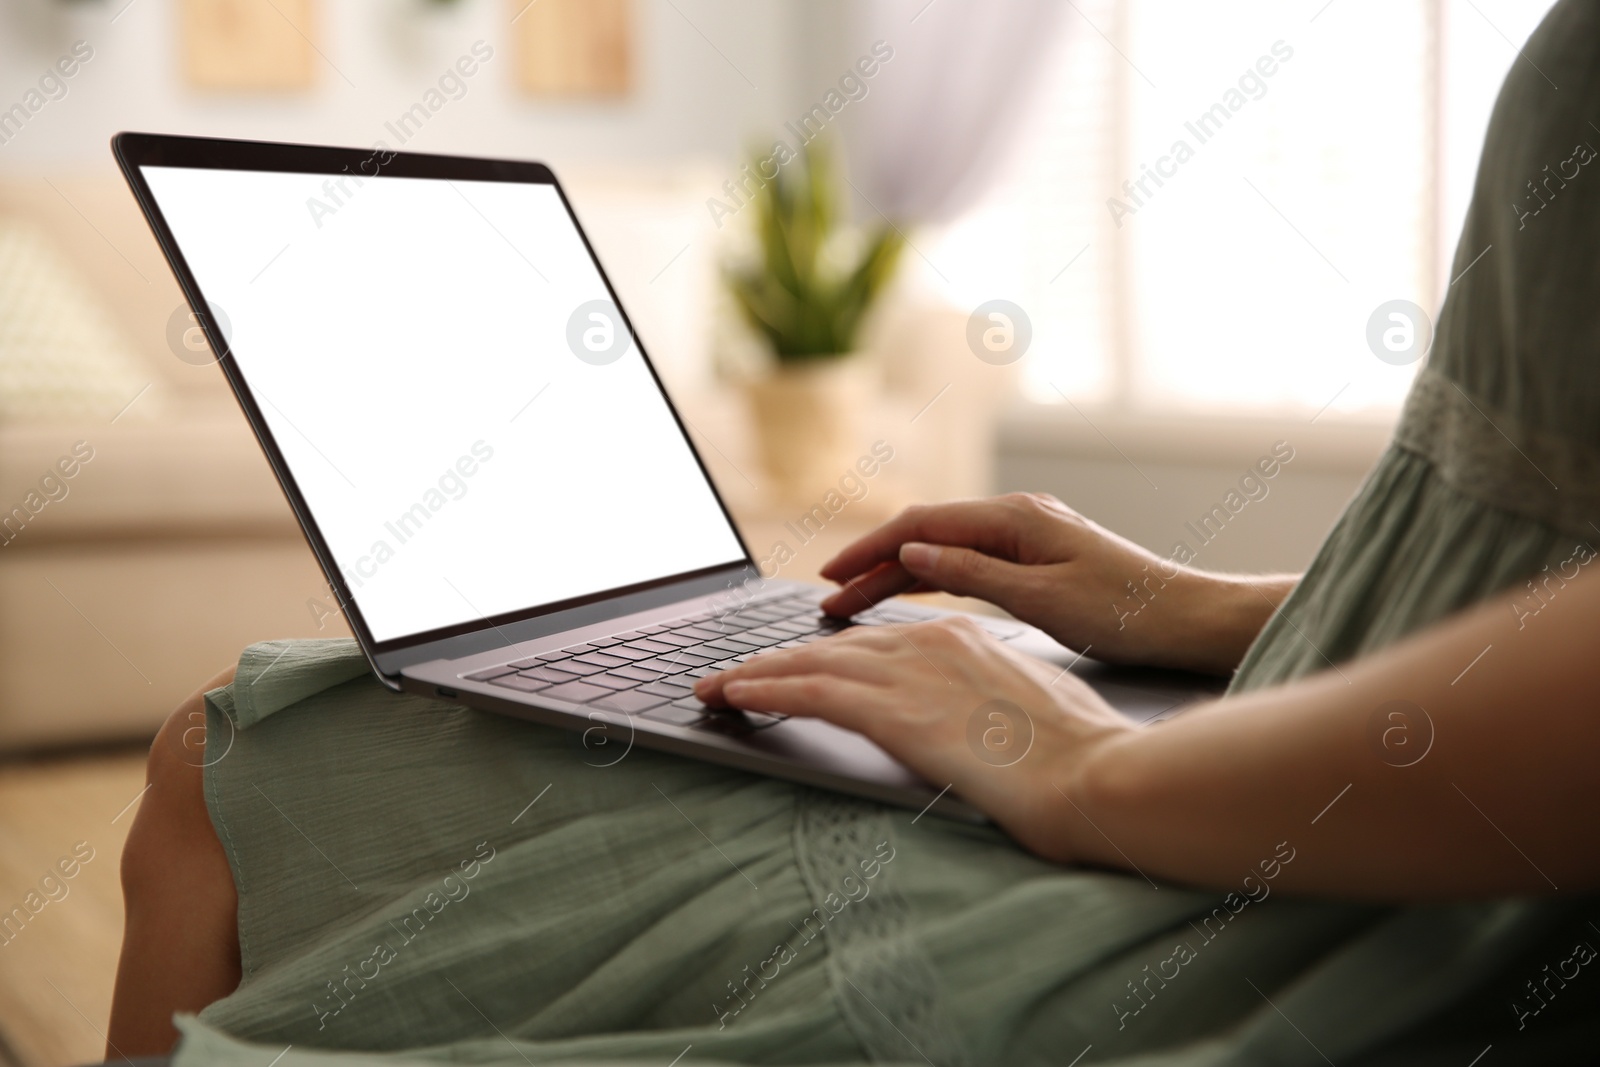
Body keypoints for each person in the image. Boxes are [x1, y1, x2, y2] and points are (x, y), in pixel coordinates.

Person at [109, 2, 1600, 1064]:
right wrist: (1189, 608)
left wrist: (1088, 760)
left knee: (249, 741)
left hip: (1371, 891)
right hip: (1324, 714)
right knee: (230, 730)